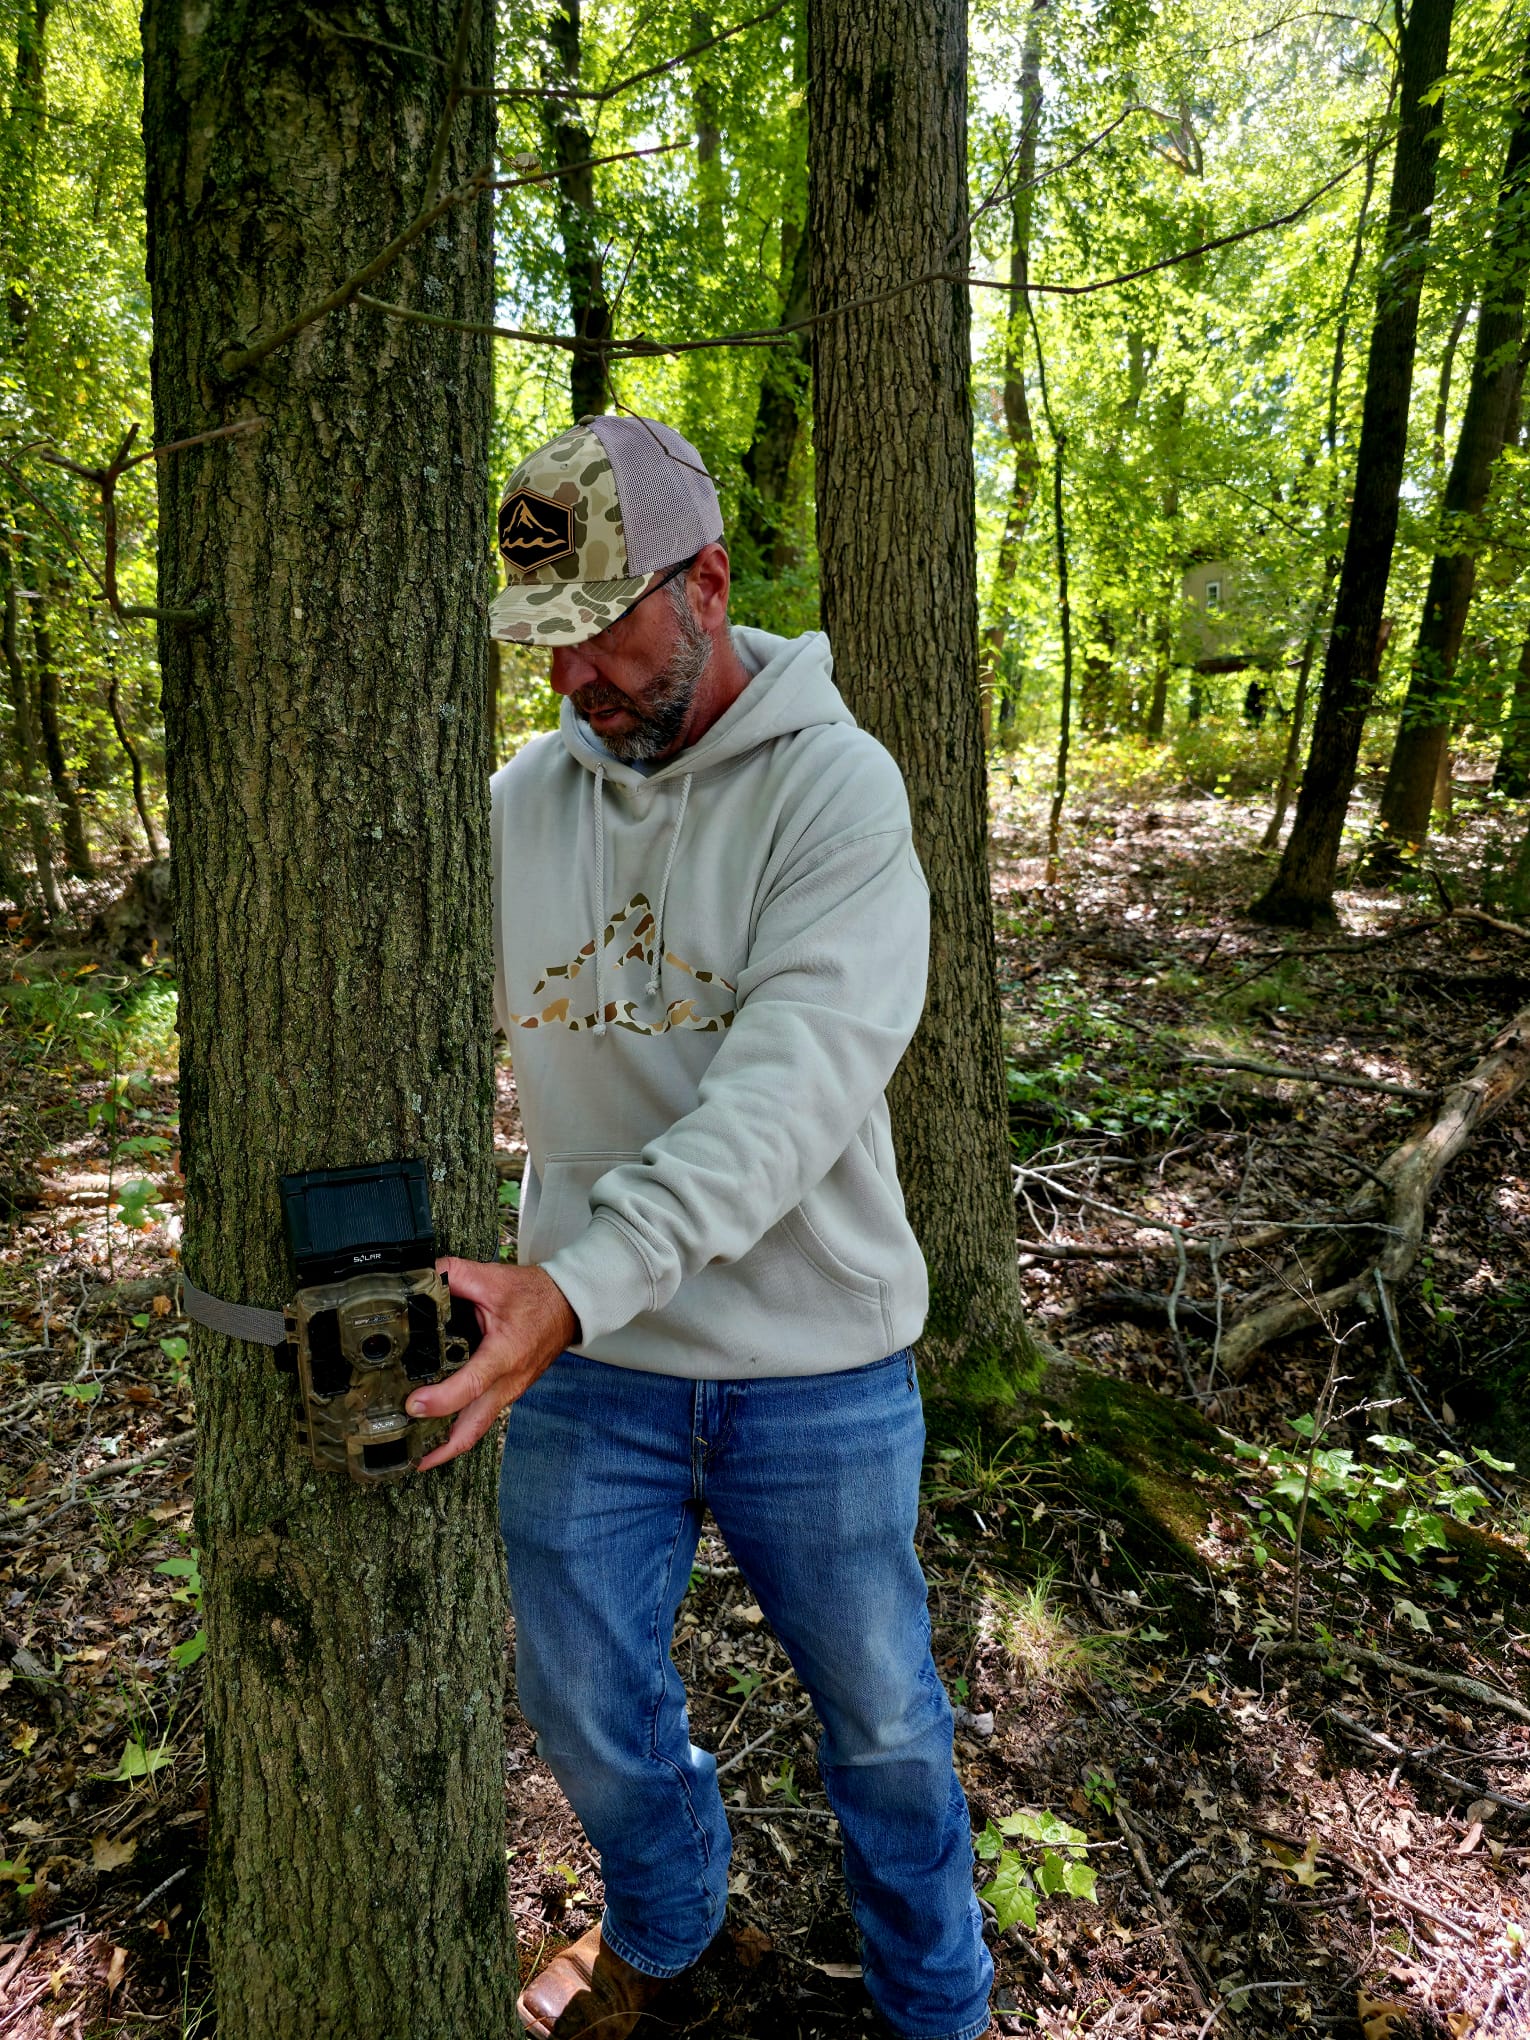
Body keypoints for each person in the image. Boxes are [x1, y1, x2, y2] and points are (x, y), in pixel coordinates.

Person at [404, 413, 993, 2040]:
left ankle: (934, 2002)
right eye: (544, 642)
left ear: (710, 584)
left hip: (816, 1364)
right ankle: (664, 1930)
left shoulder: (839, 794)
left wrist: (567, 1290)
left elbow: (789, 1100)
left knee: (880, 1720)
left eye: (602, 627)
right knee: (585, 1709)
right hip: (592, 1366)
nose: (573, 674)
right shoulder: (521, 804)